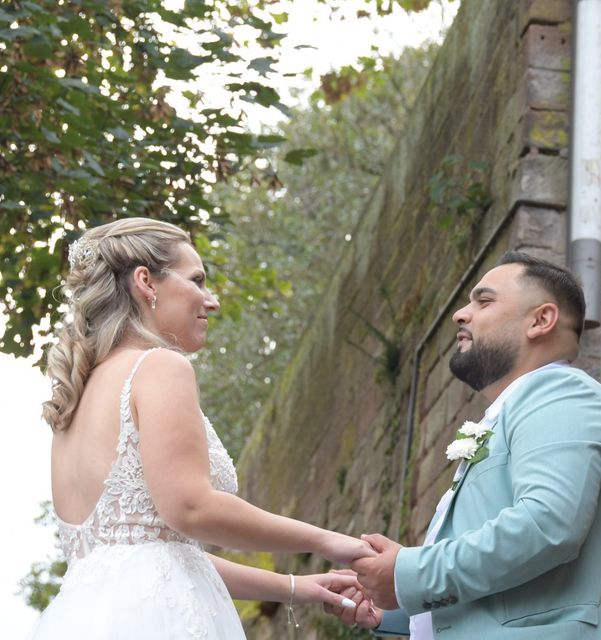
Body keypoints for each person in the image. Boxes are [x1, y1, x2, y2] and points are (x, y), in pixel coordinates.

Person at [28, 218, 379, 638]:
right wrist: (328, 541)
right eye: (197, 280)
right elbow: (191, 508)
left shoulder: (72, 406)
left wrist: (297, 587)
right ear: (146, 282)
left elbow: (160, 555)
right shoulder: (159, 366)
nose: (210, 301)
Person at [340, 251, 601, 638]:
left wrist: (409, 573)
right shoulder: (523, 407)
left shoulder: (563, 394)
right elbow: (512, 594)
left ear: (541, 320)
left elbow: (546, 525)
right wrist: (392, 603)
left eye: (483, 301)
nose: (460, 314)